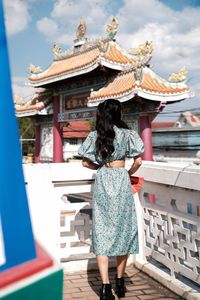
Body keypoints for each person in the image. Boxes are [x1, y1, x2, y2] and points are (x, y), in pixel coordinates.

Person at [78, 99, 144, 300]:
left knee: (102, 231)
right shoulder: (128, 134)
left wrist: (99, 168)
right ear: (118, 113)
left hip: (103, 181)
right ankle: (121, 281)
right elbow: (138, 161)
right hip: (121, 179)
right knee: (124, 229)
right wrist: (127, 173)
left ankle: (105, 287)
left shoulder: (95, 135)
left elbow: (85, 163)